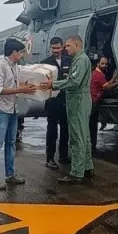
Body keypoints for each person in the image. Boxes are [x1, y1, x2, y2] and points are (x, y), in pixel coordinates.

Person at [39, 35, 93, 184]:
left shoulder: (80, 60)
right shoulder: (80, 59)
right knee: (84, 136)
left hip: (78, 101)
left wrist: (53, 84)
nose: (65, 49)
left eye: (67, 46)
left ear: (76, 45)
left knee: (77, 138)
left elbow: (74, 82)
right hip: (77, 101)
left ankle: (77, 173)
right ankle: (87, 167)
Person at [0, 38, 35, 189]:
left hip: (13, 108)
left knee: (11, 143)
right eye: (21, 52)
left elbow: (17, 84)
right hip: (0, 108)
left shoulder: (16, 67)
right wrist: (21, 90)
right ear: (14, 52)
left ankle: (10, 174)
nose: (22, 55)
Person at [41, 37, 71, 169]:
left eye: (58, 48)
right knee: (52, 130)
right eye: (53, 48)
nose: (56, 50)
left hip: (66, 100)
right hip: (52, 101)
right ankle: (50, 158)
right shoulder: (45, 63)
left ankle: (63, 156)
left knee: (66, 129)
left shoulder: (69, 61)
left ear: (63, 47)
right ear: (50, 48)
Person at [89, 55, 118, 153]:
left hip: (93, 102)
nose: (105, 65)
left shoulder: (97, 73)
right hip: (93, 103)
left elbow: (106, 84)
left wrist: (114, 77)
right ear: (97, 64)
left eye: (106, 64)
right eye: (102, 63)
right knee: (92, 127)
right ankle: (91, 148)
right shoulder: (99, 75)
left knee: (92, 125)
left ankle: (91, 147)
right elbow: (107, 87)